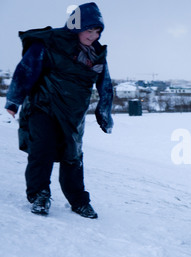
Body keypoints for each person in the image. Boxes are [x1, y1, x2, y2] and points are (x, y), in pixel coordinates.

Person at [4, 2, 113, 218]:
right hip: (43, 106)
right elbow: (26, 70)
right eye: (88, 30)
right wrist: (13, 101)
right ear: (75, 27)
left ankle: (79, 201)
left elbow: (105, 84)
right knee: (41, 151)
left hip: (73, 113)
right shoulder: (50, 43)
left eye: (97, 31)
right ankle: (39, 195)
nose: (93, 36)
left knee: (73, 156)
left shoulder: (97, 55)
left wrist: (104, 112)